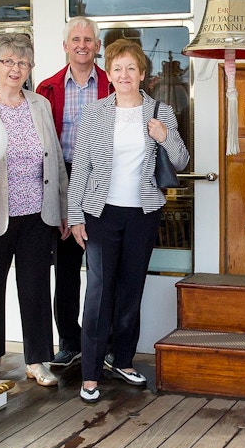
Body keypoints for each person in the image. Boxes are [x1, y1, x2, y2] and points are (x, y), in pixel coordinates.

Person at [67, 39, 188, 403]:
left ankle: (122, 359)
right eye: (117, 68)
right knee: (99, 292)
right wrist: (75, 217)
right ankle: (90, 373)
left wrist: (164, 136)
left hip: (142, 214)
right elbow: (81, 169)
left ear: (143, 74)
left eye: (131, 69)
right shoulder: (95, 113)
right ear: (109, 73)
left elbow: (180, 161)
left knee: (131, 289)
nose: (124, 75)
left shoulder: (159, 111)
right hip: (101, 213)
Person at [0, 33, 67, 387]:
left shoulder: (39, 104)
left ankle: (37, 360)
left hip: (37, 215)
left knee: (35, 288)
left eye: (23, 63)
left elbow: (54, 158)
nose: (15, 69)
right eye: (8, 62)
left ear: (30, 69)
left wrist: (64, 209)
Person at [36, 17, 113, 368]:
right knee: (66, 270)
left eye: (88, 39)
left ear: (97, 47)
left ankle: (104, 342)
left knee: (104, 268)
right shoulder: (47, 88)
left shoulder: (114, 84)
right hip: (63, 179)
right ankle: (69, 341)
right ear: (65, 46)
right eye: (75, 39)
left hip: (104, 181)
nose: (82, 44)